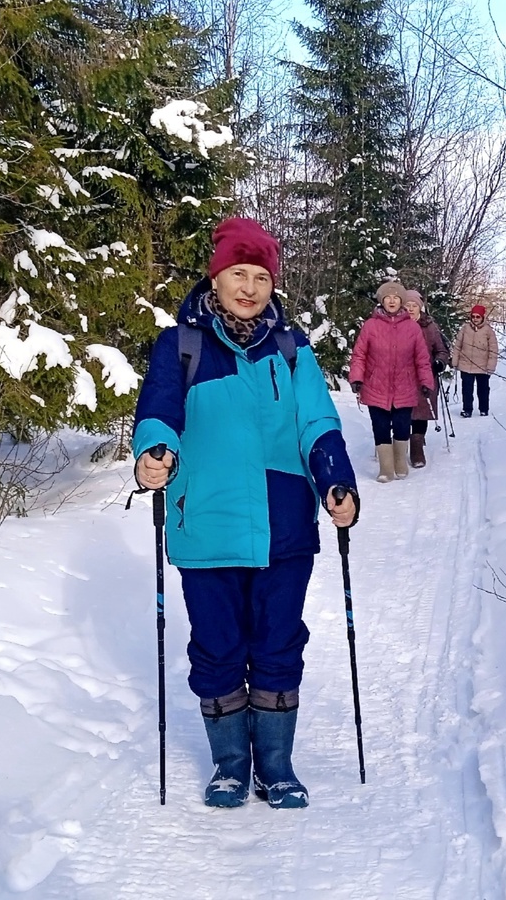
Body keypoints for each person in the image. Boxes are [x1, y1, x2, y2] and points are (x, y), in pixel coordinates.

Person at [132, 218, 358, 811]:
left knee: (280, 643)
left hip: (284, 528)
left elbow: (317, 421)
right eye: (239, 273)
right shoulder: (181, 344)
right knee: (217, 647)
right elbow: (158, 412)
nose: (251, 287)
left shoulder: (291, 348)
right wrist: (153, 455)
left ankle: (276, 767)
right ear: (218, 276)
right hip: (205, 524)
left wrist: (336, 480)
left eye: (261, 276)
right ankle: (231, 766)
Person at [349, 281, 435, 482]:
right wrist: (356, 377)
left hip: (404, 386)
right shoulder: (370, 326)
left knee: (402, 426)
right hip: (375, 385)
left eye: (396, 297)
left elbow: (422, 358)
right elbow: (359, 354)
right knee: (380, 426)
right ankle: (386, 468)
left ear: (402, 301)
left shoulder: (412, 328)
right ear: (382, 300)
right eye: (388, 297)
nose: (392, 300)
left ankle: (400, 462)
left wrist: (425, 382)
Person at [404, 290, 449, 468]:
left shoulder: (429, 326)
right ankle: (400, 444)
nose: (410, 309)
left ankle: (417, 446)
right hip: (402, 377)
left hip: (425, 375)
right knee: (403, 412)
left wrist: (439, 362)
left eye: (414, 306)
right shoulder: (396, 325)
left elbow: (442, 350)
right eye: (407, 306)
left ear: (420, 308)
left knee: (421, 411)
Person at [451, 304, 499, 417]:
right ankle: (467, 410)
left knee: (483, 390)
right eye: (473, 316)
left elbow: (493, 350)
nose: (475, 319)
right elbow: (457, 346)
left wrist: (490, 366)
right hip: (466, 365)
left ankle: (484, 409)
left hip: (482, 366)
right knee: (467, 390)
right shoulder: (465, 329)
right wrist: (455, 361)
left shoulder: (488, 331)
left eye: (478, 317)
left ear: (482, 317)